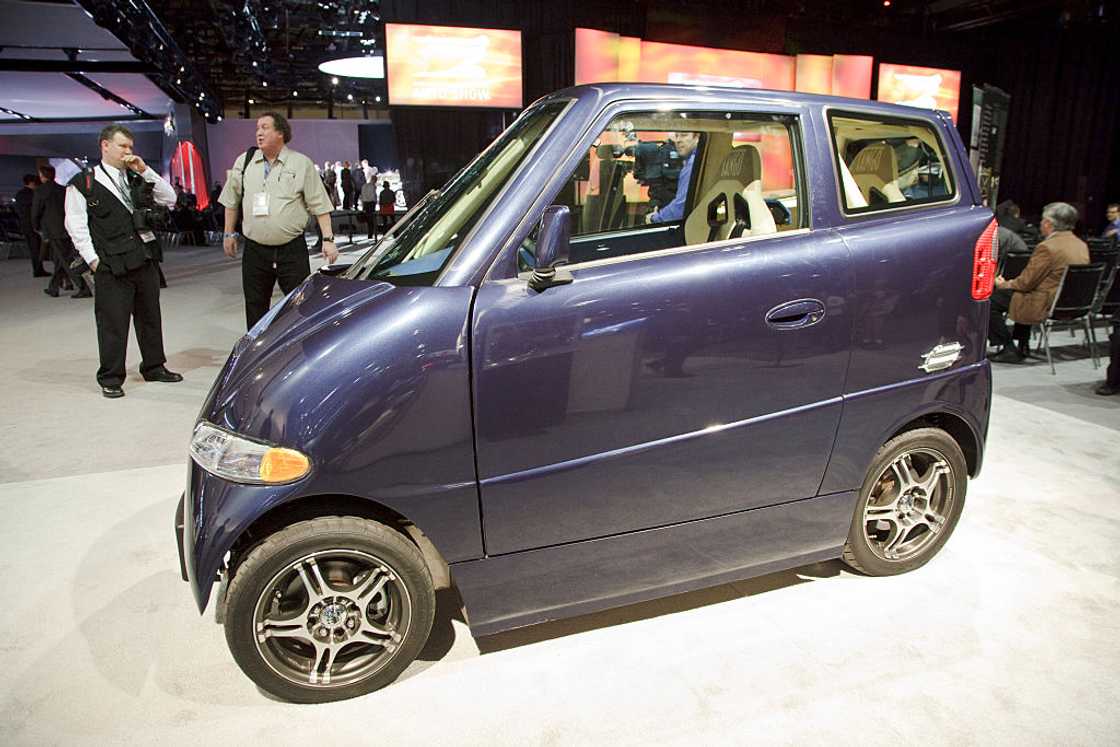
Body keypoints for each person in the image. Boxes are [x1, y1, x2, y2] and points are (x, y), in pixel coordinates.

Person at [63, 124, 182, 398]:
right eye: (122, 146)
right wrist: (93, 262)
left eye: (130, 147)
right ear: (105, 145)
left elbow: (170, 197)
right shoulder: (84, 183)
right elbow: (76, 226)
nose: (128, 152)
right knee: (113, 323)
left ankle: (154, 366)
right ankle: (111, 377)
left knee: (150, 317)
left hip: (144, 258)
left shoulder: (135, 175)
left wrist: (144, 169)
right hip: (110, 264)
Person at [219, 112, 337, 330]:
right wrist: (228, 233)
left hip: (291, 250)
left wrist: (328, 239)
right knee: (255, 306)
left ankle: (300, 351)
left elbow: (319, 204)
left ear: (280, 133)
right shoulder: (244, 162)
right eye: (257, 129)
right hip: (255, 251)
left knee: (300, 307)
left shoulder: (301, 163)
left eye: (265, 127)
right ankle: (256, 357)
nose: (259, 133)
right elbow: (231, 201)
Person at [988, 201, 1089, 363]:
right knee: (1022, 294)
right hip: (1070, 302)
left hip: (1044, 301)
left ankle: (1008, 347)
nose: (1040, 224)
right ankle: (1023, 345)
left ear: (1048, 224)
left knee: (989, 302)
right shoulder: (1081, 245)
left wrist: (1002, 284)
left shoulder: (1048, 247)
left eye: (1042, 220)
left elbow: (1026, 282)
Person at [32, 164, 90, 298]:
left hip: (53, 230)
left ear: (42, 176)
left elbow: (36, 212)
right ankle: (53, 287)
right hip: (67, 227)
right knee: (61, 258)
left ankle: (83, 287)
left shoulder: (40, 191)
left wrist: (36, 227)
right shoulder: (62, 190)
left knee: (65, 259)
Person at [645, 132, 700, 224]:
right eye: (677, 136)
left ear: (697, 137)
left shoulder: (692, 165)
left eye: (684, 135)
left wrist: (654, 219)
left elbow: (681, 207)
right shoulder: (693, 161)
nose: (678, 140)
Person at [16, 173, 49, 277]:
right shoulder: (33, 195)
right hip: (33, 226)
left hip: (24, 225)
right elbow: (36, 211)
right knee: (36, 249)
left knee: (33, 249)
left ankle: (37, 269)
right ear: (32, 183)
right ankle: (38, 270)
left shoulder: (19, 195)